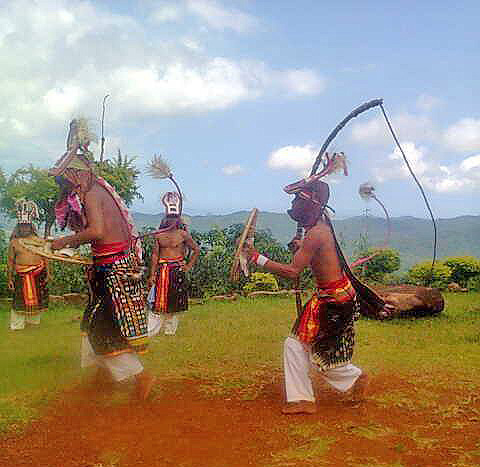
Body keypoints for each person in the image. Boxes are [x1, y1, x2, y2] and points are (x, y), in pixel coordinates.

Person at [246, 174, 390, 415]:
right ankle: (301, 398)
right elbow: (316, 256)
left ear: (310, 203)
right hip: (331, 298)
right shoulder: (319, 228)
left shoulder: (316, 233)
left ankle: (354, 379)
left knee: (321, 357)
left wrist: (257, 258)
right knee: (296, 345)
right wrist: (299, 248)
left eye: (296, 200)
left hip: (334, 301)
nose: (292, 205)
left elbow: (293, 271)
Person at [49, 127, 154, 400]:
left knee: (102, 327)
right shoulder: (93, 191)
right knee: (92, 323)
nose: (64, 187)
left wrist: (66, 242)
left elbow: (96, 232)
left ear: (78, 175)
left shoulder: (93, 194)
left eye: (66, 180)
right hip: (109, 267)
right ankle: (103, 375)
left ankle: (142, 377)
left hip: (116, 269)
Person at [147, 192, 200, 336]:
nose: (171, 222)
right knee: (158, 303)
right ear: (165, 219)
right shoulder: (158, 235)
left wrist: (188, 266)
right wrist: (152, 274)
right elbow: (155, 255)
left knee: (175, 302)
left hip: (177, 270)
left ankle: (170, 332)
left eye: (174, 219)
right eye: (169, 219)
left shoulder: (183, 234)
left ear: (177, 220)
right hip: (163, 271)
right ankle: (151, 331)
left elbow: (196, 249)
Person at [7, 200, 49, 330]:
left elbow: (46, 257)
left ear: (31, 226)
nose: (24, 228)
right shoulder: (14, 242)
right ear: (18, 227)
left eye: (26, 225)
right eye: (22, 226)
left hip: (38, 273)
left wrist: (48, 272)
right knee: (19, 300)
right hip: (21, 274)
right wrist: (9, 278)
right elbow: (10, 261)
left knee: (38, 297)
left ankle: (33, 323)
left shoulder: (39, 241)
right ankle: (17, 325)